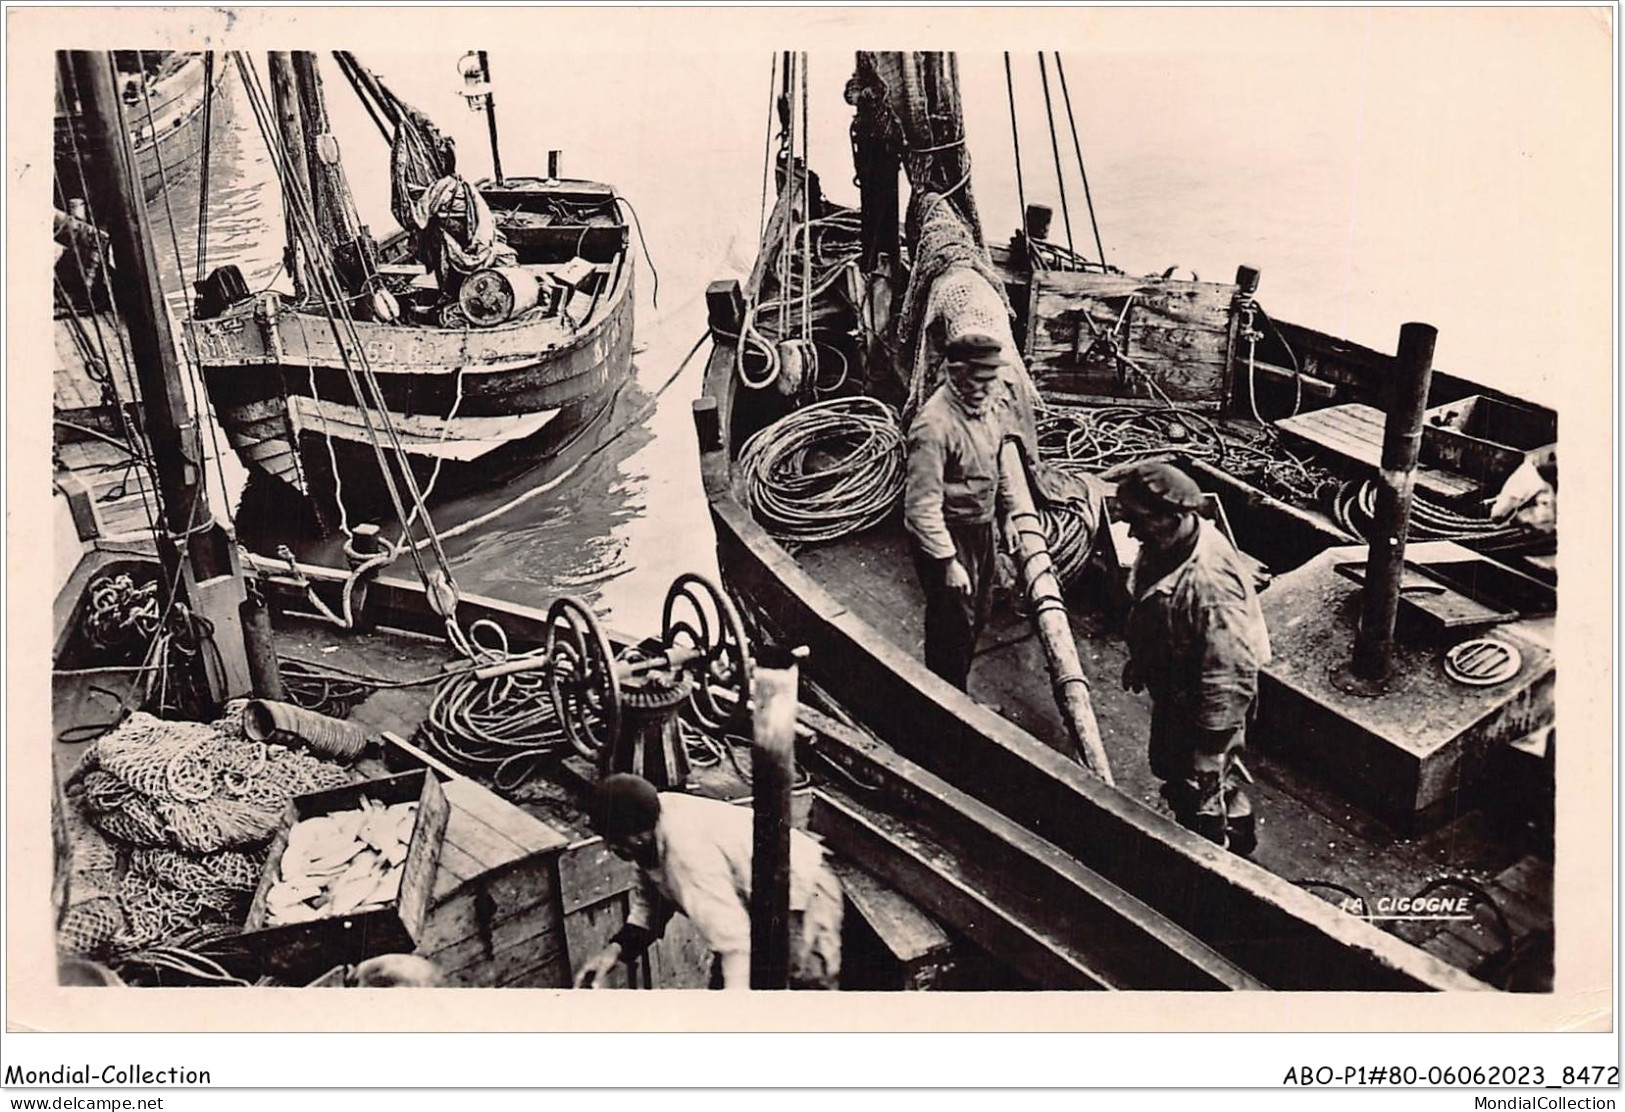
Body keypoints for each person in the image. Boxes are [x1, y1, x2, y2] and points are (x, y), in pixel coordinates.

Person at [1116, 461, 1271, 854]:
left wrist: (1211, 746)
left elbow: (1229, 675)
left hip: (1208, 703)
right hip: (1178, 682)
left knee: (1206, 782)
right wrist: (1143, 658)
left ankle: (1217, 849)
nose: (1133, 532)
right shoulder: (1165, 546)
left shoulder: (1211, 585)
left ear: (1175, 517)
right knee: (1174, 766)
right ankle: (1208, 817)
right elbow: (1153, 605)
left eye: (1140, 521)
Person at [573, 774, 843, 990]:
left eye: (615, 841)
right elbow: (651, 902)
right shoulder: (652, 817)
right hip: (751, 903)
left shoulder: (686, 856)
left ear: (638, 836)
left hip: (802, 893)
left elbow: (735, 944)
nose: (611, 848)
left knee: (804, 998)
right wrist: (613, 952)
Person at [903, 327, 1038, 689]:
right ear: (956, 374)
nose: (988, 387)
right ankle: (946, 709)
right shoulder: (934, 427)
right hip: (948, 533)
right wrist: (947, 562)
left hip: (982, 526)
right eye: (979, 380)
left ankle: (957, 694)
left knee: (979, 613)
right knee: (951, 626)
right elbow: (920, 507)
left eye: (992, 379)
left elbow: (999, 461)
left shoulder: (988, 405)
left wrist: (1007, 513)